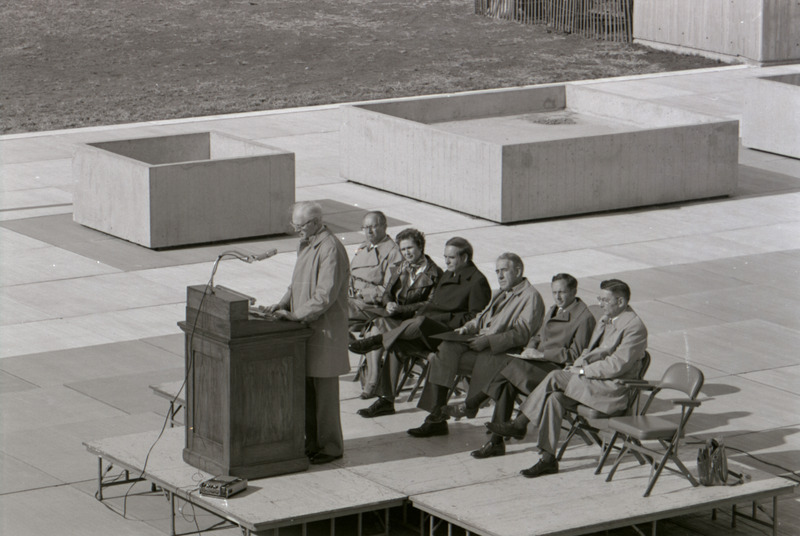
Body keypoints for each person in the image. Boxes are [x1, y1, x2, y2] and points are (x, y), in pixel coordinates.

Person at [486, 279, 648, 478]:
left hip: (611, 390)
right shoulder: (607, 318)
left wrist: (581, 372)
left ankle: (520, 423)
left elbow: (616, 365)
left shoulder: (634, 327)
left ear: (621, 302)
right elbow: (589, 350)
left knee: (555, 376)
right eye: (600, 298)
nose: (601, 304)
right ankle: (547, 459)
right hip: (593, 383)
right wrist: (577, 366)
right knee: (554, 398)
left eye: (605, 300)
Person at [450, 273, 596, 458]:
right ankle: (495, 441)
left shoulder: (584, 318)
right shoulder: (555, 309)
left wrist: (541, 354)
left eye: (562, 292)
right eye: (554, 292)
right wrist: (531, 348)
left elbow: (574, 355)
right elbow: (537, 336)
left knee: (507, 366)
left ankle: (473, 405)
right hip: (537, 364)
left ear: (574, 291)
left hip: (556, 373)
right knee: (506, 384)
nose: (558, 296)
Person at [406, 253, 545, 439]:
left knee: (441, 358)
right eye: (497, 272)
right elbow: (481, 318)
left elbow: (521, 334)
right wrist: (466, 328)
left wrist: (488, 341)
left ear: (518, 271)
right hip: (480, 343)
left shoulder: (531, 297)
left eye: (504, 271)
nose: (500, 276)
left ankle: (442, 416)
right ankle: (437, 415)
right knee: (445, 348)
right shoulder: (502, 292)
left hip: (501, 353)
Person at [349, 237, 491, 413]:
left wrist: (442, 318)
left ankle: (377, 340)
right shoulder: (449, 273)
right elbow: (431, 305)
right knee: (397, 345)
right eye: (445, 257)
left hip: (450, 335)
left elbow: (476, 318)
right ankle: (386, 400)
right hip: (429, 330)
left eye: (451, 258)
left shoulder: (477, 281)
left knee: (421, 321)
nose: (446, 261)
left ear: (465, 258)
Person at [265, 201, 350, 465]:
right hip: (305, 329)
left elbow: (324, 295)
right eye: (294, 225)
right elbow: (297, 283)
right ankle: (312, 443)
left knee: (324, 396)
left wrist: (295, 315)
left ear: (315, 223)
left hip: (323, 332)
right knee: (308, 393)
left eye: (300, 226)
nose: (296, 230)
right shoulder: (307, 244)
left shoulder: (330, 249)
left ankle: (331, 447)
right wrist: (282, 303)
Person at [355, 228, 444, 410]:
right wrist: (388, 303)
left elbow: (430, 304)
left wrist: (401, 308)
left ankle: (374, 382)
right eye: (403, 250)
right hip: (397, 319)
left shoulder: (435, 273)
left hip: (415, 324)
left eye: (410, 248)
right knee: (377, 324)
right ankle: (373, 378)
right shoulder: (400, 267)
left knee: (380, 331)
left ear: (420, 247)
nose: (406, 253)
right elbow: (387, 293)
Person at [347, 211, 402, 397]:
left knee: (330, 309)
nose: (369, 231)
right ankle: (353, 343)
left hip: (373, 305)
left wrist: (363, 293)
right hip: (353, 300)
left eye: (373, 226)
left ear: (384, 227)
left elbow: (388, 289)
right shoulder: (363, 247)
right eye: (365, 227)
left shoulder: (393, 252)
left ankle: (356, 346)